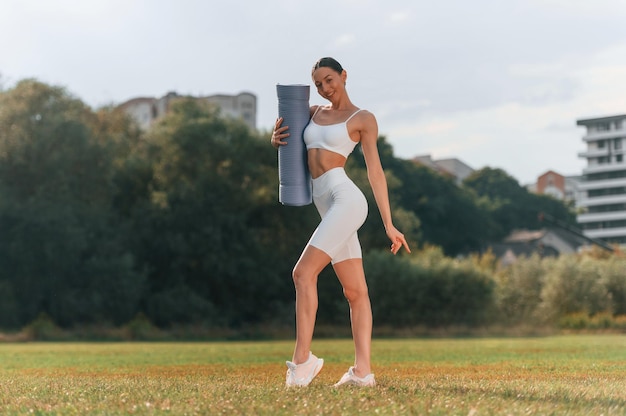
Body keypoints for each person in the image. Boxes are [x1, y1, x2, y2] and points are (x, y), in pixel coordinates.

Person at [271, 57, 410, 388]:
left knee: (303, 273)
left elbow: (375, 173)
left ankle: (303, 361)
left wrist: (389, 224)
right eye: (318, 84)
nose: (324, 88)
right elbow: (284, 133)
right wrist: (273, 139)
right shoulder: (313, 112)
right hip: (325, 204)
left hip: (346, 201)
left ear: (344, 76)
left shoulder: (362, 118)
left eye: (330, 80)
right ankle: (363, 373)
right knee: (355, 291)